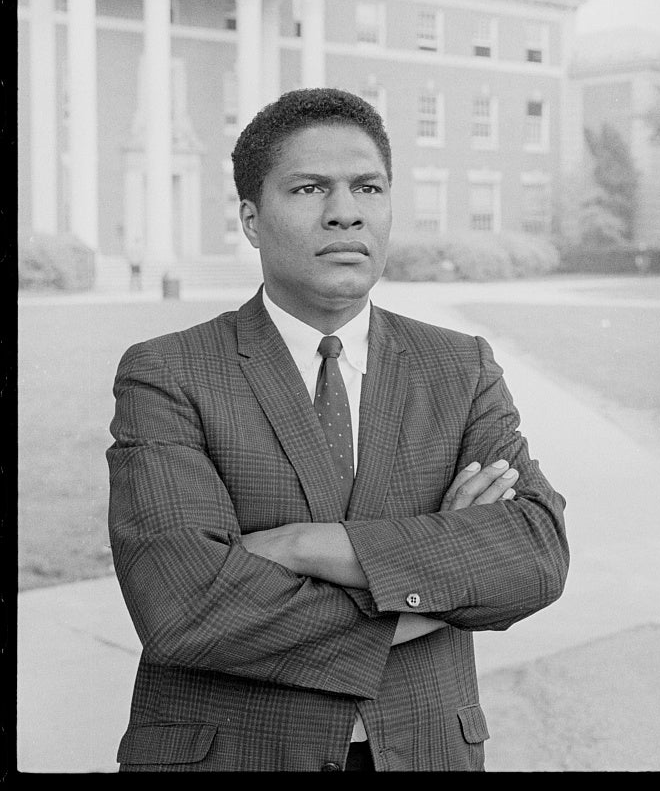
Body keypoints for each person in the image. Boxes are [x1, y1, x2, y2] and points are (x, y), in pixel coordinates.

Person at [107, 88, 569, 772]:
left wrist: (300, 545)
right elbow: (186, 605)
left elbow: (533, 554)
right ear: (251, 218)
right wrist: (437, 591)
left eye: (367, 186)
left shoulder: (459, 366)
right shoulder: (168, 373)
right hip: (234, 756)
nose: (345, 210)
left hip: (426, 750)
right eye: (308, 188)